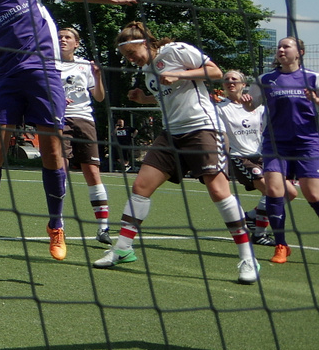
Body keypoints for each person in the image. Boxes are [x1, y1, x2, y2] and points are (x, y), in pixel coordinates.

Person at [0, 0, 138, 261]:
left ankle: (56, 227)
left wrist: (112, 0)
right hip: (8, 83)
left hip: (44, 78)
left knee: (53, 152)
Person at [94, 22, 259, 283]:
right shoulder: (147, 72)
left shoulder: (175, 51)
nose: (130, 59)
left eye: (130, 53)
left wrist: (179, 75)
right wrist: (144, 98)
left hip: (202, 129)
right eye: (126, 57)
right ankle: (123, 249)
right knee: (141, 186)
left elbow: (215, 72)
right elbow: (167, 95)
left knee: (218, 191)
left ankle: (248, 257)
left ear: (144, 43)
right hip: (171, 134)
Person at [257, 37, 319, 265]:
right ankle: (281, 244)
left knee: (313, 194)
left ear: (299, 52)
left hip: (307, 142)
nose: (281, 50)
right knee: (274, 190)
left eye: (286, 46)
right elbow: (249, 103)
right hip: (275, 144)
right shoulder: (266, 79)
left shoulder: (313, 78)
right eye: (279, 47)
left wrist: (316, 101)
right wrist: (243, 100)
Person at [56, 28, 111, 243]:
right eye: (60, 37)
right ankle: (58, 225)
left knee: (92, 172)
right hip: (59, 121)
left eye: (67, 37)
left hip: (84, 121)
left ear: (76, 43)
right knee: (60, 171)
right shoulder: (48, 63)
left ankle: (103, 228)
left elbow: (98, 97)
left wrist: (98, 77)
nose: (63, 40)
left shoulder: (85, 65)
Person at [218, 70, 271, 244]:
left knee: (289, 193)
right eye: (226, 80)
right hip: (239, 158)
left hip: (261, 156)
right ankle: (259, 234)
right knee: (270, 191)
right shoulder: (219, 108)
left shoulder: (258, 107)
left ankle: (251, 216)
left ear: (244, 84)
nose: (230, 82)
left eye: (235, 79)